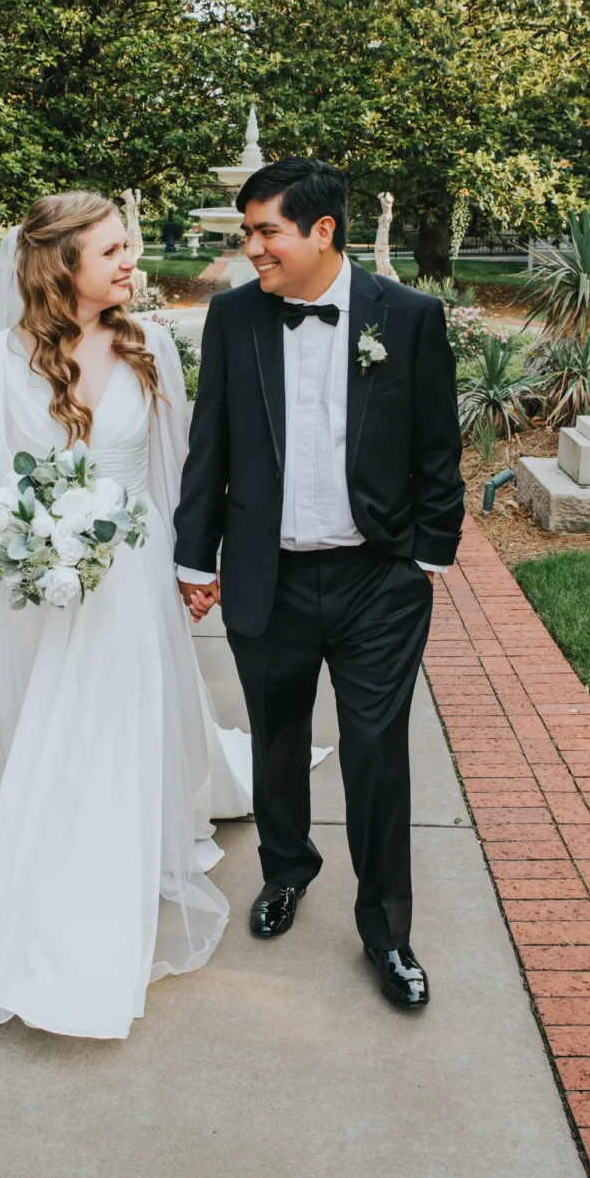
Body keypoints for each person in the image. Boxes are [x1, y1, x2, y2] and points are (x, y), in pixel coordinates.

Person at [0, 192, 255, 1040]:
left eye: (128, 247)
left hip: (138, 564)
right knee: (59, 712)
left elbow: (176, 464)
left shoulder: (150, 342)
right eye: (113, 250)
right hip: (46, 573)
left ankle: (111, 851)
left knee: (118, 707)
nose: (130, 263)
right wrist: (24, 557)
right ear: (60, 265)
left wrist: (194, 564)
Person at [175, 158, 464, 1010]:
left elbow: (437, 447)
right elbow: (211, 444)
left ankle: (388, 934)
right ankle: (287, 870)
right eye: (248, 232)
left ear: (323, 232)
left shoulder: (407, 317)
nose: (252, 248)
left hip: (380, 580)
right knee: (275, 742)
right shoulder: (233, 318)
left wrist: (427, 557)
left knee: (378, 755)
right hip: (270, 578)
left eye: (267, 232)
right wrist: (197, 557)